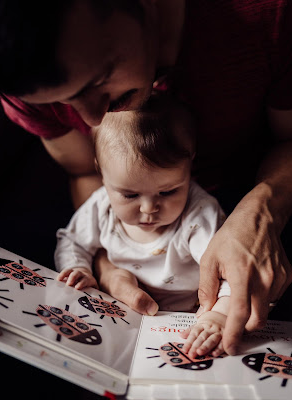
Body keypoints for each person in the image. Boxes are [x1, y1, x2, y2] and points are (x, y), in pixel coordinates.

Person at [0, 0, 292, 356]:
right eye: (64, 102)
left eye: (99, 79)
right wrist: (102, 267)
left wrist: (260, 215)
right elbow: (84, 174)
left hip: (255, 188)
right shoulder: (19, 78)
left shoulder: (273, 13)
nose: (92, 119)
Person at [55, 95, 230, 357]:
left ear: (189, 167)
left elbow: (227, 269)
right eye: (130, 195)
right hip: (121, 314)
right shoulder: (101, 205)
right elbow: (72, 241)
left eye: (168, 191)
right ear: (101, 172)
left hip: (187, 319)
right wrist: (78, 268)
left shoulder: (198, 213)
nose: (149, 209)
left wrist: (220, 315)